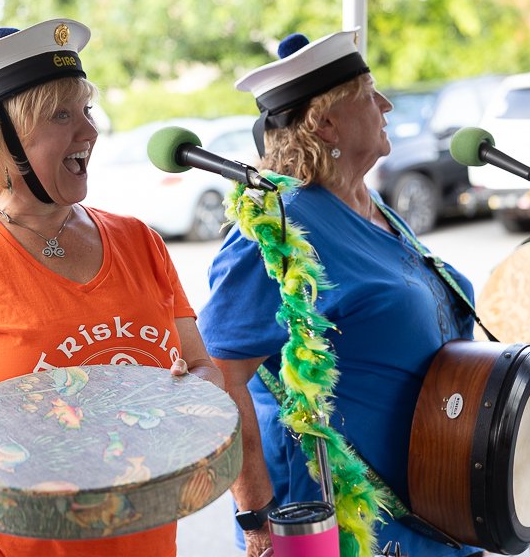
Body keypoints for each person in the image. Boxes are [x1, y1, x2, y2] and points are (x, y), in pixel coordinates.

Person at [0, 18, 223, 557]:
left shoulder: (139, 240)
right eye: (61, 115)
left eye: (86, 110)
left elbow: (202, 367)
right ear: (5, 142)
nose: (89, 132)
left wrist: (190, 394)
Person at [198, 29, 482, 557]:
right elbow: (220, 377)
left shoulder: (369, 204)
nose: (386, 104)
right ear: (325, 121)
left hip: (437, 510)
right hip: (342, 530)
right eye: (370, 93)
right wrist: (256, 518)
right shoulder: (279, 226)